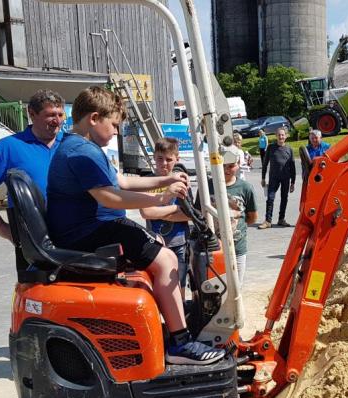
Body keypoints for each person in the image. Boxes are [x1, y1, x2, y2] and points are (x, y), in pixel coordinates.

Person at [46, 86, 224, 366]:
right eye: (114, 125)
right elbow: (112, 197)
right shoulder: (82, 153)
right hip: (88, 233)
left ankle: (172, 322)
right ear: (94, 118)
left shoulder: (80, 147)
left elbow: (124, 181)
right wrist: (164, 197)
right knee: (166, 261)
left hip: (87, 229)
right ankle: (180, 343)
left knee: (157, 246)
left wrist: (165, 181)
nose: (116, 132)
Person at [0, 90, 66, 272]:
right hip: (34, 239)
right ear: (32, 114)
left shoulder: (72, 144)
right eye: (50, 115)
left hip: (73, 232)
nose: (57, 121)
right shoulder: (8, 147)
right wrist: (2, 228)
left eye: (60, 114)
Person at [138, 137, 191, 300]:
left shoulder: (182, 182)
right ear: (154, 157)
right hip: (156, 244)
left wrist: (160, 211)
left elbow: (189, 214)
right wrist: (174, 209)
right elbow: (146, 212)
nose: (164, 163)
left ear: (177, 159)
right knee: (158, 288)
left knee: (178, 287)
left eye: (169, 159)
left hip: (179, 243)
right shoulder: (147, 182)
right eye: (160, 158)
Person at [205, 148, 258, 287]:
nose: (226, 170)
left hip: (237, 247)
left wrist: (236, 216)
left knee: (236, 286)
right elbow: (199, 213)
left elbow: (252, 217)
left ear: (238, 164)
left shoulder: (245, 188)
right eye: (223, 166)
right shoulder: (207, 187)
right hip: (214, 248)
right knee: (216, 287)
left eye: (231, 166)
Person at [258, 127, 295, 229]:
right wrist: (263, 178)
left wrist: (293, 182)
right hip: (273, 178)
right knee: (270, 198)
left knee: (284, 199)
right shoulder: (271, 147)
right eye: (279, 135)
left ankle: (281, 219)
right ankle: (268, 221)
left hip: (286, 178)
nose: (281, 136)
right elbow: (265, 164)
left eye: (282, 135)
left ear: (286, 136)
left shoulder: (289, 149)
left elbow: (292, 166)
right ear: (276, 136)